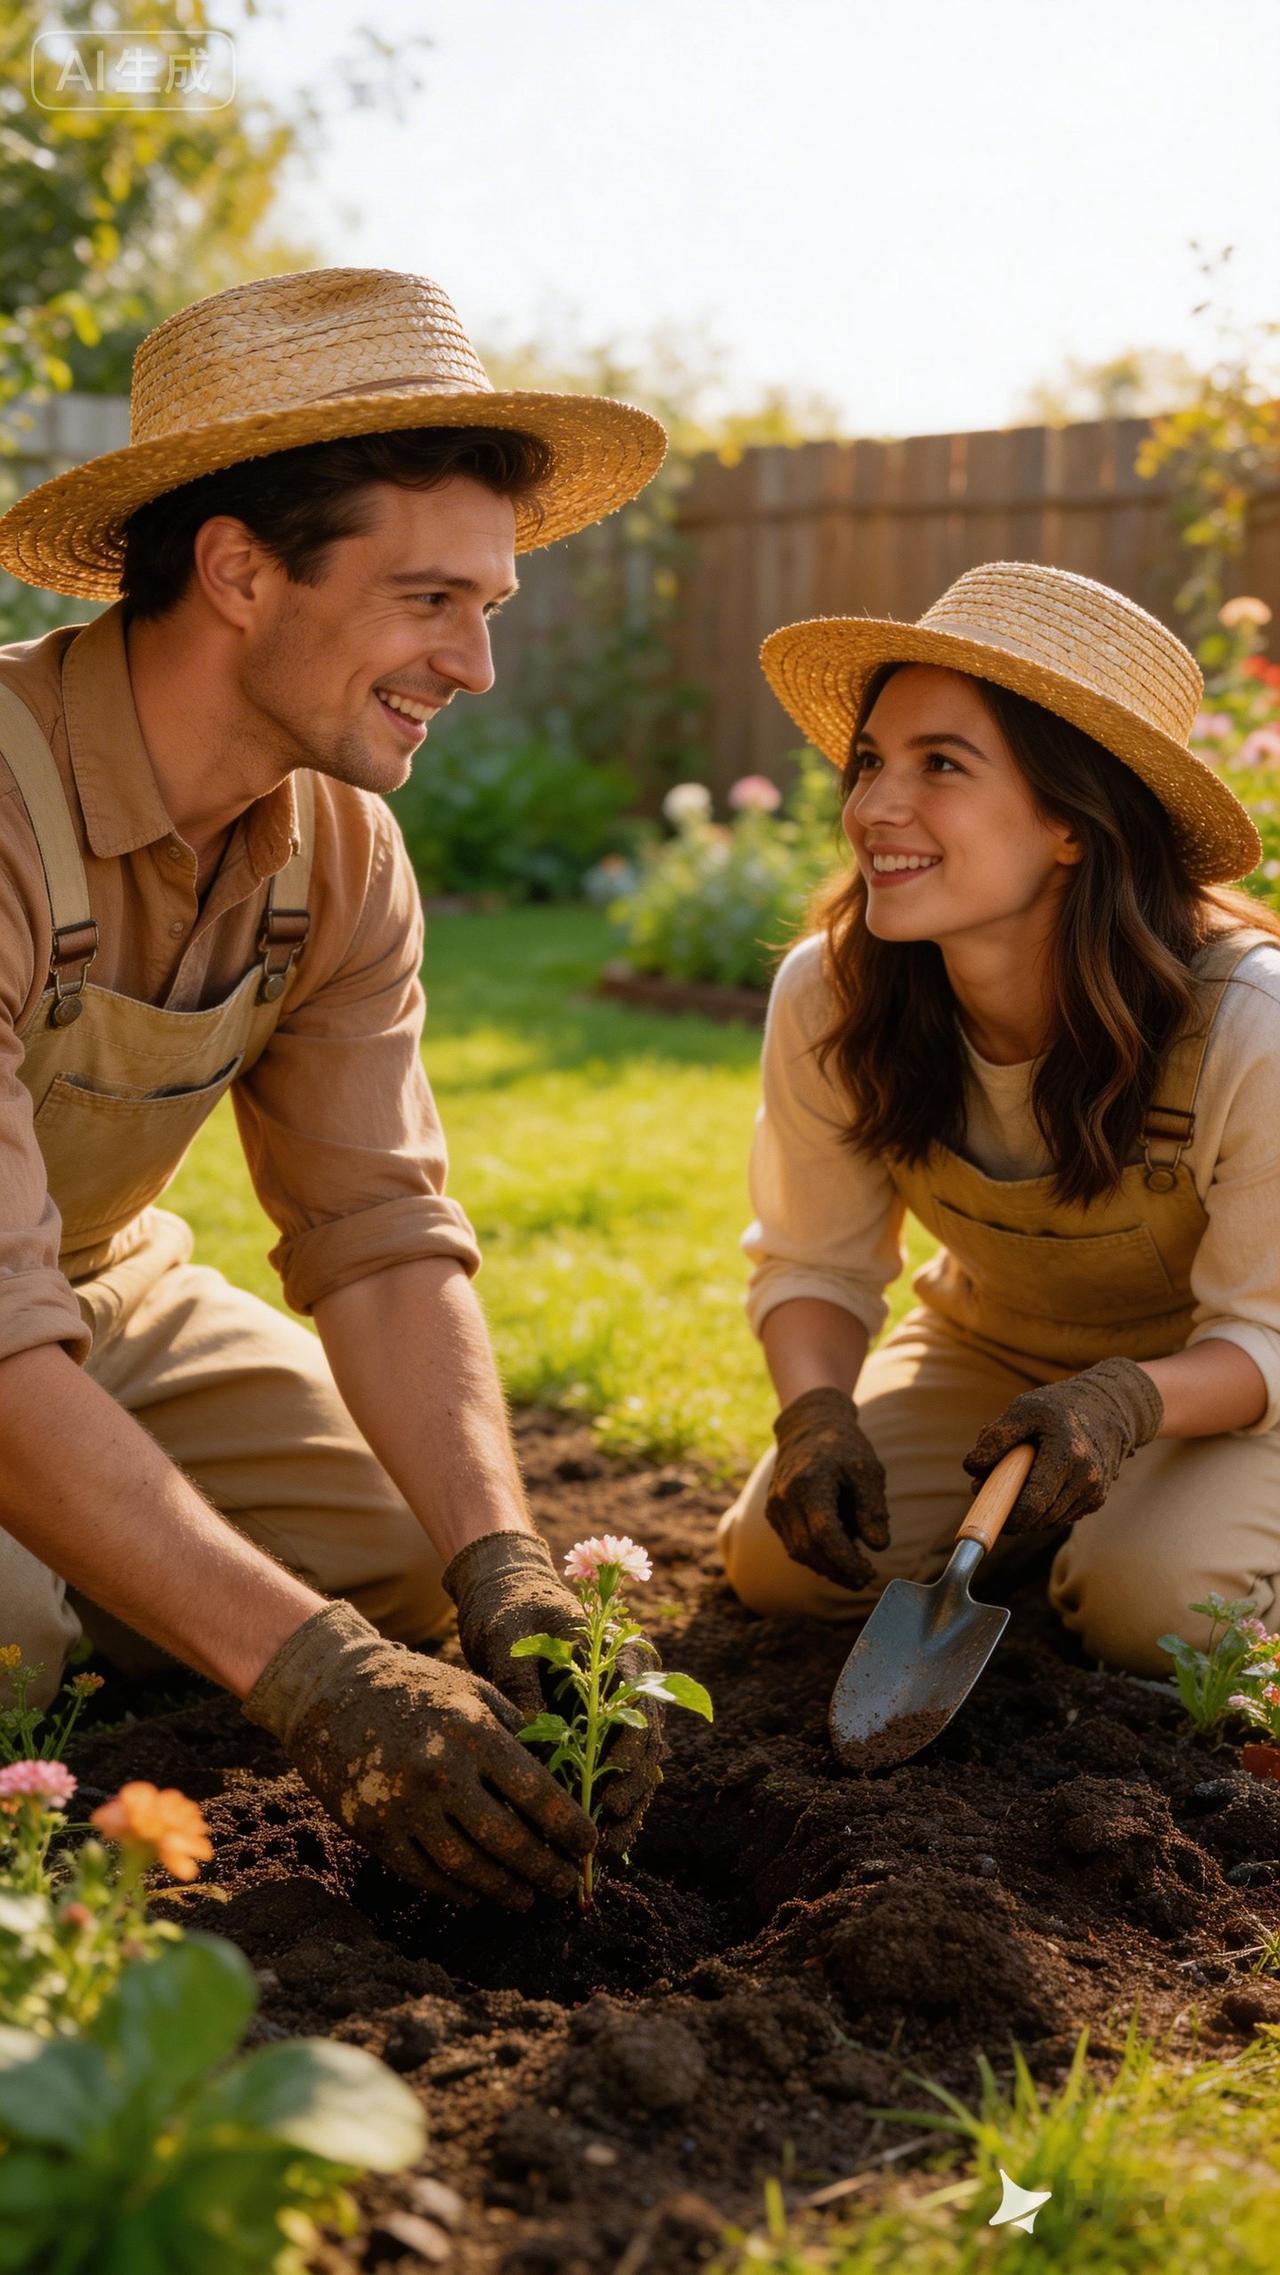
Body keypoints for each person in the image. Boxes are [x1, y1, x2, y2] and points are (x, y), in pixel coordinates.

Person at [0, 266, 669, 1909]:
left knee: (394, 1559)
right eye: (432, 599)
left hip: (91, 1287)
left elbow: (376, 1228)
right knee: (20, 1651)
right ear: (237, 568)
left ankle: (120, 1580)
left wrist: (505, 1564)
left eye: (490, 606)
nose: (479, 663)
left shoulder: (339, 849)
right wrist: (314, 1686)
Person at [717, 560, 1280, 1677]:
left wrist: (1124, 1402)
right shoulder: (833, 993)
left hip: (1221, 1380)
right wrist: (815, 1415)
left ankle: (1115, 1533)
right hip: (993, 1346)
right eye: (869, 761)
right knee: (784, 1568)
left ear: (1071, 821)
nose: (873, 807)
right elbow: (813, 1264)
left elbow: (1268, 1333)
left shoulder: (1246, 1024)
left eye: (941, 766)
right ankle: (1046, 1523)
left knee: (1144, 1611)